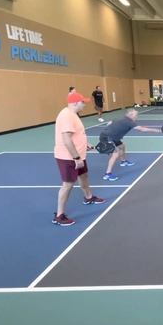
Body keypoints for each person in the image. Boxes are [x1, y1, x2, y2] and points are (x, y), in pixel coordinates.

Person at [53, 92, 106, 226]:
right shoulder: (67, 116)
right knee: (67, 185)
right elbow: (66, 139)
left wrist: (85, 145)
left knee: (84, 176)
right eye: (83, 102)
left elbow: (76, 135)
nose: (84, 104)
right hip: (69, 157)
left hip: (79, 155)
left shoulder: (73, 114)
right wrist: (76, 157)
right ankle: (59, 215)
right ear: (75, 103)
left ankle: (88, 198)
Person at [100, 109, 160, 181]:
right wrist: (158, 130)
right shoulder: (129, 122)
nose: (137, 117)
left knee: (122, 146)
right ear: (130, 115)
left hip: (112, 136)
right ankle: (107, 174)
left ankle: (123, 161)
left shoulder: (121, 118)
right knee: (115, 154)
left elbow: (109, 123)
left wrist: (113, 129)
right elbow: (142, 129)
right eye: (136, 115)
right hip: (107, 137)